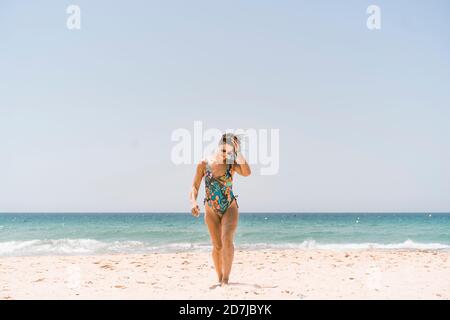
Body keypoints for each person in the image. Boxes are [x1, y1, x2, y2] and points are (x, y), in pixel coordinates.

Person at [189, 133, 251, 286]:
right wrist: (193, 202)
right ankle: (219, 276)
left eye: (230, 151)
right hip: (211, 210)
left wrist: (238, 154)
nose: (226, 154)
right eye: (224, 150)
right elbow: (195, 186)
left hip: (229, 207)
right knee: (217, 245)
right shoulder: (204, 163)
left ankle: (226, 280)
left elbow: (247, 172)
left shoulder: (233, 164)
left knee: (227, 240)